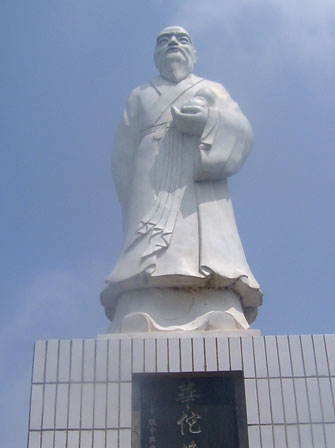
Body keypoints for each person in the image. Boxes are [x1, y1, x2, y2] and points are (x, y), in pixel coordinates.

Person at [101, 26, 262, 332]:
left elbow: (243, 131)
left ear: (195, 55)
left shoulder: (213, 89)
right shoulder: (140, 96)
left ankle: (219, 306)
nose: (173, 43)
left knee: (211, 248)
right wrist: (131, 205)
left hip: (201, 185)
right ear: (155, 55)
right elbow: (121, 158)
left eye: (181, 39)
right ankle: (139, 307)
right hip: (150, 183)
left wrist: (209, 122)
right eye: (164, 41)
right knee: (146, 252)